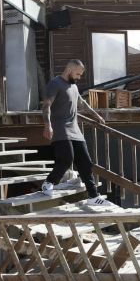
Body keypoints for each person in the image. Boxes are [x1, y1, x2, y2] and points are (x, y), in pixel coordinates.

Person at [41, 59, 107, 204]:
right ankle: (48, 182)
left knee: (85, 162)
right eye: (77, 74)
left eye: (80, 75)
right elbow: (46, 105)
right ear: (69, 70)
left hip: (74, 129)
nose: (79, 77)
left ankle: (93, 196)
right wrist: (48, 125)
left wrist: (96, 115)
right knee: (66, 159)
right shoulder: (55, 83)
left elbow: (82, 103)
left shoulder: (74, 87)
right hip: (60, 127)